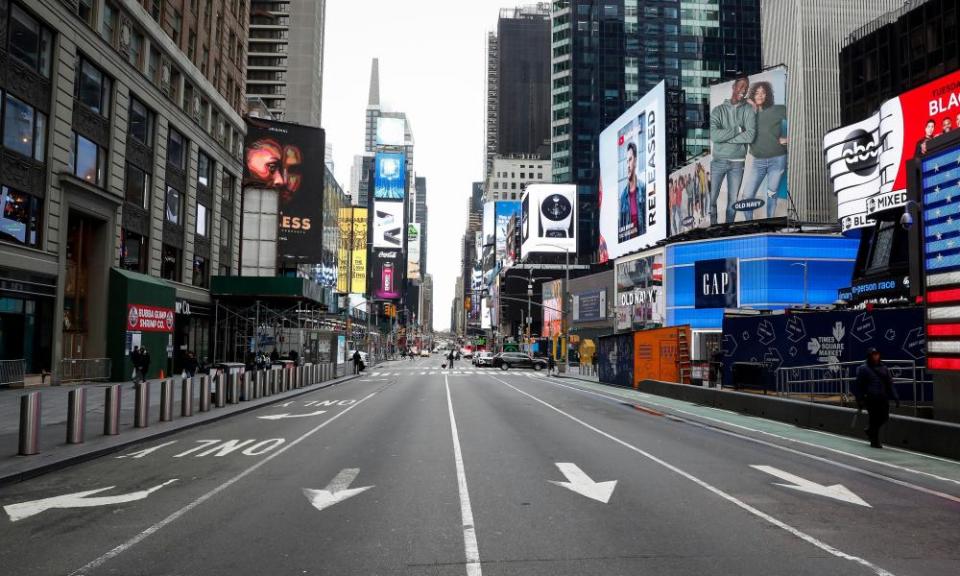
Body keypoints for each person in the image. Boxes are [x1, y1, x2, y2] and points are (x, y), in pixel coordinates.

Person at [709, 75, 757, 225]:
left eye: (746, 87)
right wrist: (737, 129)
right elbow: (714, 136)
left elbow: (750, 135)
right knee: (711, 198)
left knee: (733, 202)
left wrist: (726, 138)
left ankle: (728, 229)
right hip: (718, 161)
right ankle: (714, 227)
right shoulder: (718, 110)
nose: (743, 90)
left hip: (738, 163)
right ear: (734, 87)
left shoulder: (748, 110)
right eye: (741, 85)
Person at [741, 81, 788, 220]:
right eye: (757, 92)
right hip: (758, 162)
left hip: (777, 160)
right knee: (746, 197)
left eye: (763, 92)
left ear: (767, 95)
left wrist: (788, 139)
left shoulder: (778, 109)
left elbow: (800, 119)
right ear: (752, 96)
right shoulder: (747, 117)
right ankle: (749, 224)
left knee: (771, 194)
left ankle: (770, 222)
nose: (760, 95)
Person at [853, 348, 900, 448]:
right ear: (869, 356)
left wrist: (895, 396)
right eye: (873, 355)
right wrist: (860, 400)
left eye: (877, 354)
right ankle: (875, 441)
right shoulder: (863, 369)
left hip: (883, 397)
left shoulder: (884, 368)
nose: (876, 356)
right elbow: (859, 386)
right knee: (874, 419)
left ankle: (870, 431)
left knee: (884, 417)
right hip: (871, 398)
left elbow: (890, 383)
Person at [618, 142, 645, 241]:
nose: (628, 166)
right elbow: (621, 228)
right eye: (626, 162)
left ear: (635, 161)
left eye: (630, 160)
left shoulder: (643, 188)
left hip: (645, 246)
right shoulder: (623, 197)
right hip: (628, 249)